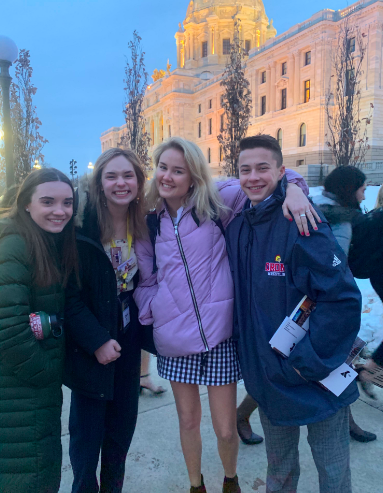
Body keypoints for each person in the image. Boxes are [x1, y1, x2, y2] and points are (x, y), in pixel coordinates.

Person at [134, 137, 317, 493]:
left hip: (219, 338)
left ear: (193, 175)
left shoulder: (218, 202)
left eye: (178, 170)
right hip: (174, 340)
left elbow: (266, 177)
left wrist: (294, 189)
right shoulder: (149, 222)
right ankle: (195, 485)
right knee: (187, 421)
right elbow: (146, 281)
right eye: (162, 168)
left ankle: (229, 479)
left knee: (224, 428)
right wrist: (155, 311)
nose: (167, 177)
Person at [226, 135, 362, 493]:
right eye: (245, 170)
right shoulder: (239, 228)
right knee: (280, 471)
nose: (253, 177)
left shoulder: (302, 222)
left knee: (332, 472)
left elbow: (343, 298)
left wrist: (308, 360)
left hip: (317, 374)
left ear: (281, 171)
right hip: (270, 380)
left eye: (262, 168)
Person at [64, 148, 148, 493]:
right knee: (86, 439)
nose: (120, 183)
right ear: (99, 182)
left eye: (128, 175)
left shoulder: (146, 222)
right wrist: (96, 340)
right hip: (90, 342)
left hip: (128, 339)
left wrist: (292, 185)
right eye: (111, 176)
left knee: (120, 434)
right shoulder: (79, 225)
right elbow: (67, 295)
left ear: (139, 182)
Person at [0, 168, 78, 492]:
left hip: (27, 392)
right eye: (48, 201)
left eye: (67, 203)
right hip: (18, 393)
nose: (60, 211)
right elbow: (8, 332)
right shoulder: (14, 244)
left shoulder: (41, 239)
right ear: (27, 204)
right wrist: (48, 372)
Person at [312, 166, 376, 443]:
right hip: (326, 304)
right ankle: (242, 413)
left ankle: (348, 421)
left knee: (343, 361)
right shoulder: (336, 219)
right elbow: (333, 265)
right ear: (349, 189)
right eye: (362, 189)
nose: (364, 196)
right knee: (303, 366)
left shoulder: (336, 213)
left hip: (334, 303)